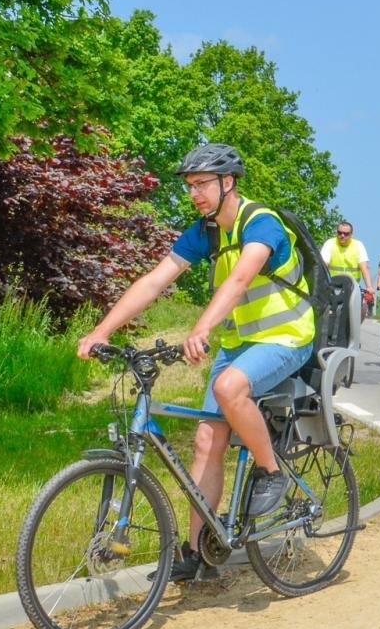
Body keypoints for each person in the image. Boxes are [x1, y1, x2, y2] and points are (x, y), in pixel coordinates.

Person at [76, 143, 315, 583]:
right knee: (207, 441)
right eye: (189, 186)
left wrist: (202, 327)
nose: (195, 194)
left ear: (229, 182)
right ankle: (197, 553)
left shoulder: (261, 223)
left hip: (286, 338)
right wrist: (101, 331)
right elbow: (154, 281)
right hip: (240, 343)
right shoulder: (205, 233)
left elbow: (241, 279)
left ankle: (270, 471)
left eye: (202, 184)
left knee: (228, 389)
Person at [319, 220, 374, 322]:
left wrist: (369, 287)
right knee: (323, 311)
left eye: (346, 234)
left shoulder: (358, 245)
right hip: (332, 286)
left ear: (351, 235)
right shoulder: (330, 244)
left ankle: (352, 332)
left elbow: (364, 267)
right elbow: (323, 266)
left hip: (352, 286)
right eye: (339, 233)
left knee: (359, 311)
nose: (342, 236)